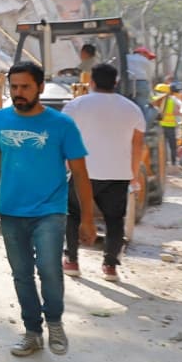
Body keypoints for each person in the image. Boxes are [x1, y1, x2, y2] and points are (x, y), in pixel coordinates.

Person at [0, 61, 94, 357]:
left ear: (40, 88)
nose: (18, 93)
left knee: (49, 269)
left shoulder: (62, 125)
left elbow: (81, 174)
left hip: (50, 211)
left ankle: (54, 321)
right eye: (14, 87)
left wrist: (87, 219)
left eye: (25, 87)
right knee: (21, 274)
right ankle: (32, 331)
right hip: (10, 211)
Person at [62, 64, 145, 282]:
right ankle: (110, 266)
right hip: (118, 175)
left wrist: (64, 165)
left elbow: (63, 138)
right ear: (115, 82)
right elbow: (138, 146)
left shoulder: (76, 105)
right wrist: (133, 175)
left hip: (83, 173)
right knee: (114, 219)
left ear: (91, 82)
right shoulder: (132, 109)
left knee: (73, 214)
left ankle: (71, 260)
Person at [152, 83, 180, 165]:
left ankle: (161, 162)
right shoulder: (172, 101)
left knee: (159, 145)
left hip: (159, 125)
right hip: (170, 126)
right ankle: (173, 162)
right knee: (172, 145)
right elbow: (176, 112)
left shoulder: (154, 99)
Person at [125, 45, 155, 114]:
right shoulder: (146, 61)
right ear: (143, 53)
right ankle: (145, 123)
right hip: (142, 83)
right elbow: (149, 75)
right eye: (148, 55)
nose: (148, 58)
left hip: (127, 83)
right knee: (143, 107)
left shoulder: (127, 57)